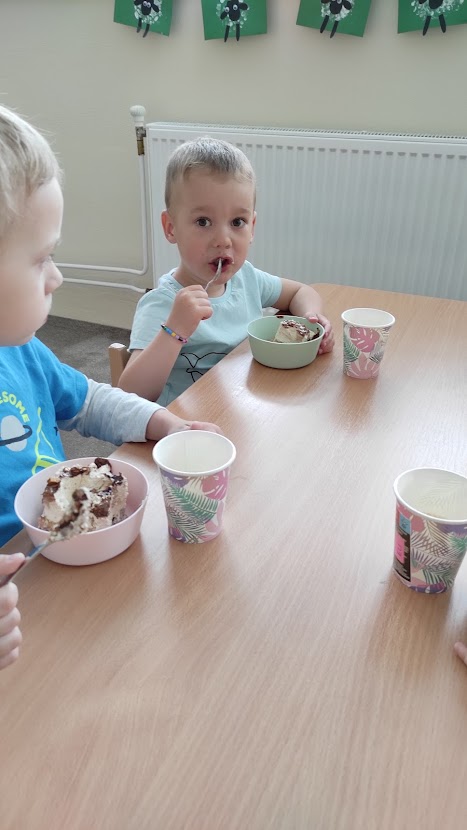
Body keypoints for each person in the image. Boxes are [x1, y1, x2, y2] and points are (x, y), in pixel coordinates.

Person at [0, 106, 220, 670]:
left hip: (69, 552)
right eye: (42, 259)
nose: (57, 277)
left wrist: (162, 423)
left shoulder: (20, 349)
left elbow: (91, 400)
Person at [118, 137, 335, 406]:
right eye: (203, 221)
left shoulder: (247, 279)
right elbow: (129, 396)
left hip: (247, 407)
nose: (223, 240)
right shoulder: (163, 304)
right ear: (171, 228)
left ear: (252, 227)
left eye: (237, 222)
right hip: (190, 426)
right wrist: (174, 330)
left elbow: (302, 291)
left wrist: (312, 318)